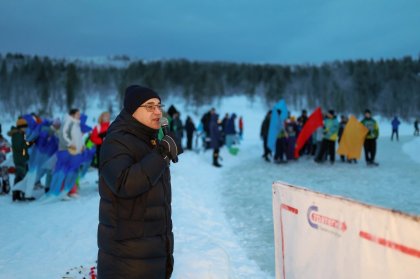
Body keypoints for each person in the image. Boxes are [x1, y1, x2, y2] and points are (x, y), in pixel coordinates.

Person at [97, 85, 182, 279]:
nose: (158, 112)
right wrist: (161, 154)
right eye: (150, 106)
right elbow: (124, 183)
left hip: (150, 253)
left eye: (159, 106)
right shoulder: (117, 141)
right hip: (127, 259)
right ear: (133, 110)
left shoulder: (148, 139)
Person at [8, 117, 30, 201]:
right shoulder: (17, 136)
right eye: (25, 127)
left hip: (21, 158)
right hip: (20, 160)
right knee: (23, 177)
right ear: (20, 127)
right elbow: (19, 147)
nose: (26, 129)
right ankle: (21, 193)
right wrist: (27, 144)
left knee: (19, 177)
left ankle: (16, 194)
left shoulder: (21, 134)